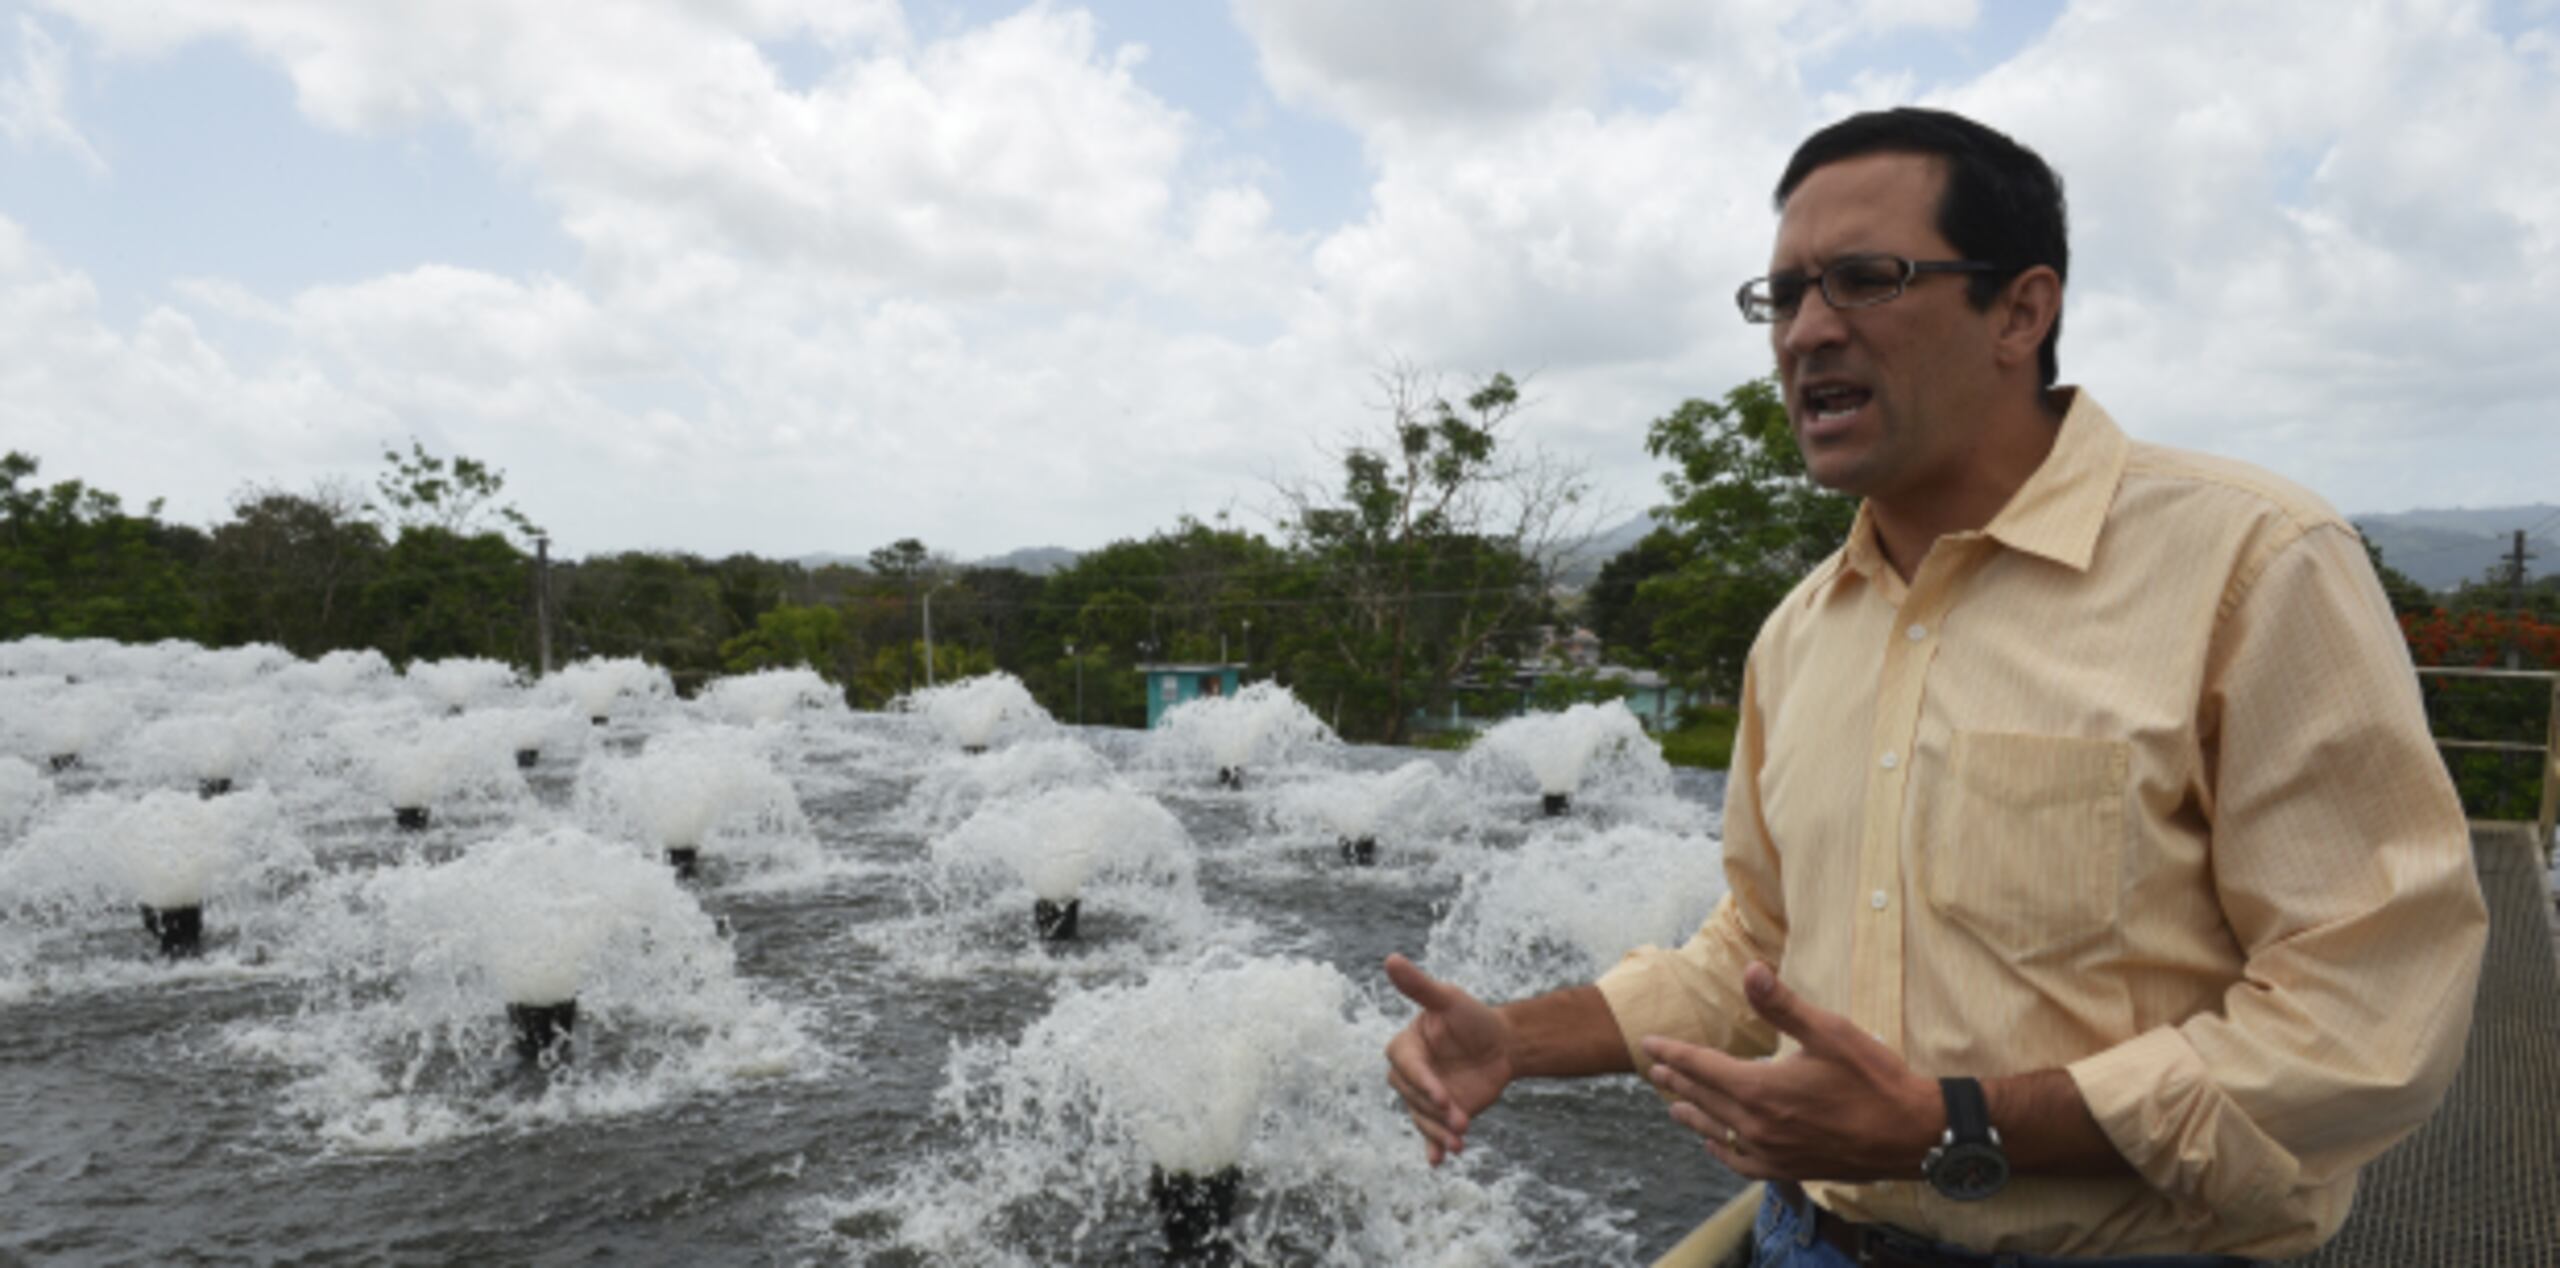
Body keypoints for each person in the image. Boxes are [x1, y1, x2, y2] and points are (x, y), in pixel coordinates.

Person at [1382, 106, 2487, 1266]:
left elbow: (2366, 1017)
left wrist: (1956, 1125)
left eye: (1864, 279)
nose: (1807, 331)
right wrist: (1512, 1037)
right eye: (1784, 295)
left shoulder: (2252, 566)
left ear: (2020, 309)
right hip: (1802, 1240)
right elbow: (1755, 945)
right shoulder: (1801, 634)